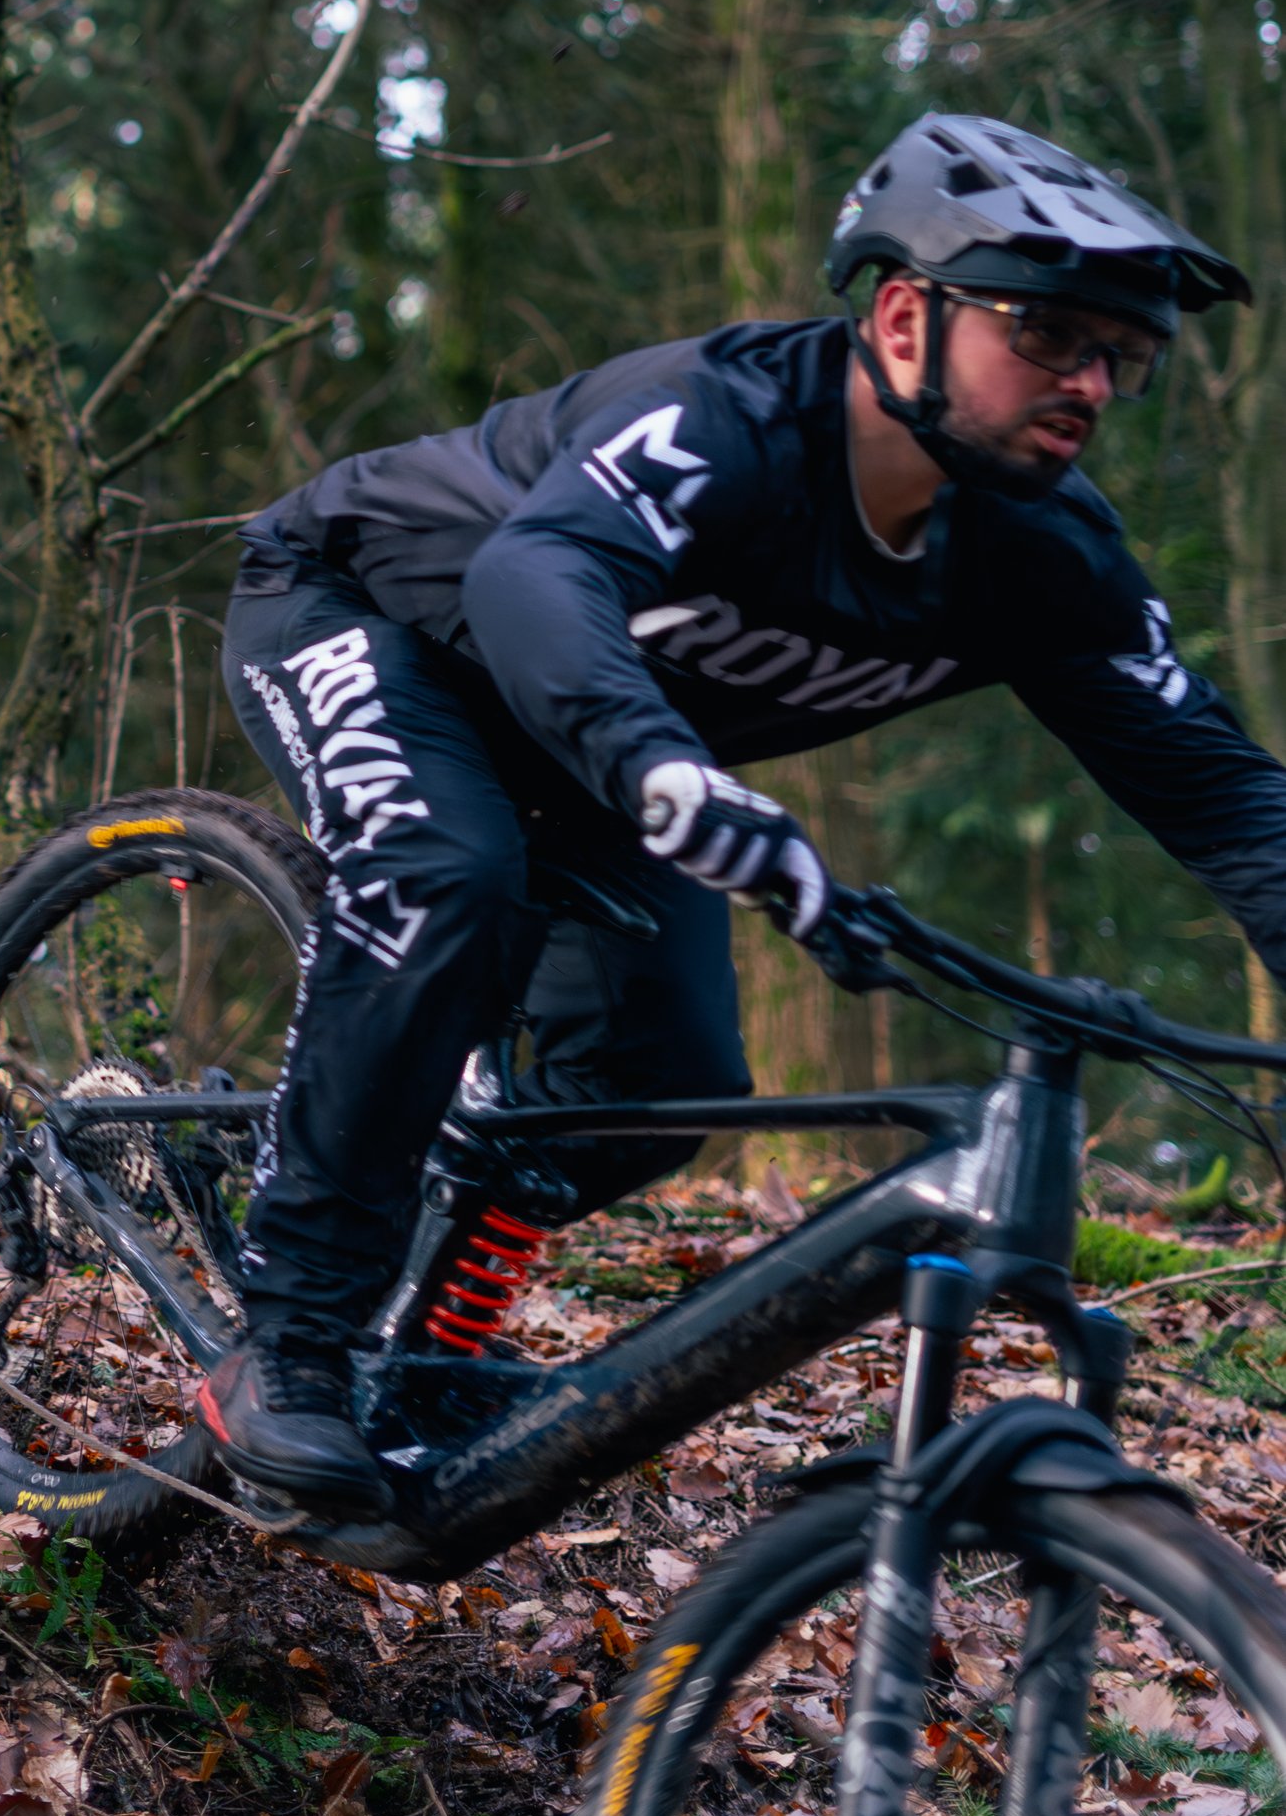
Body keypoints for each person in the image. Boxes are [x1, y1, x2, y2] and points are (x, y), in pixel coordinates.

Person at [197, 111, 1286, 1522]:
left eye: (1119, 356)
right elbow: (537, 575)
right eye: (1048, 333)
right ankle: (289, 1339)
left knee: (665, 1083)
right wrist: (667, 771)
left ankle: (425, 1314)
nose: (1087, 380)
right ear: (904, 316)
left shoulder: (1045, 556)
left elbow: (1230, 802)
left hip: (600, 745)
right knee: (444, 874)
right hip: (371, 610)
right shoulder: (723, 420)